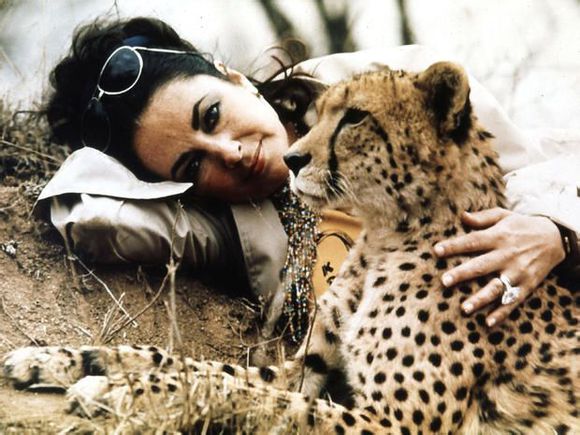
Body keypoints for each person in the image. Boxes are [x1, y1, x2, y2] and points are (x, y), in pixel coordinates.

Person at [39, 17, 580, 341]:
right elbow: (91, 217)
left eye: (211, 116)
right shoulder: (225, 224)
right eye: (192, 165)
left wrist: (552, 229)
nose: (230, 152)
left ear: (234, 79)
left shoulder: (373, 88)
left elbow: (539, 167)